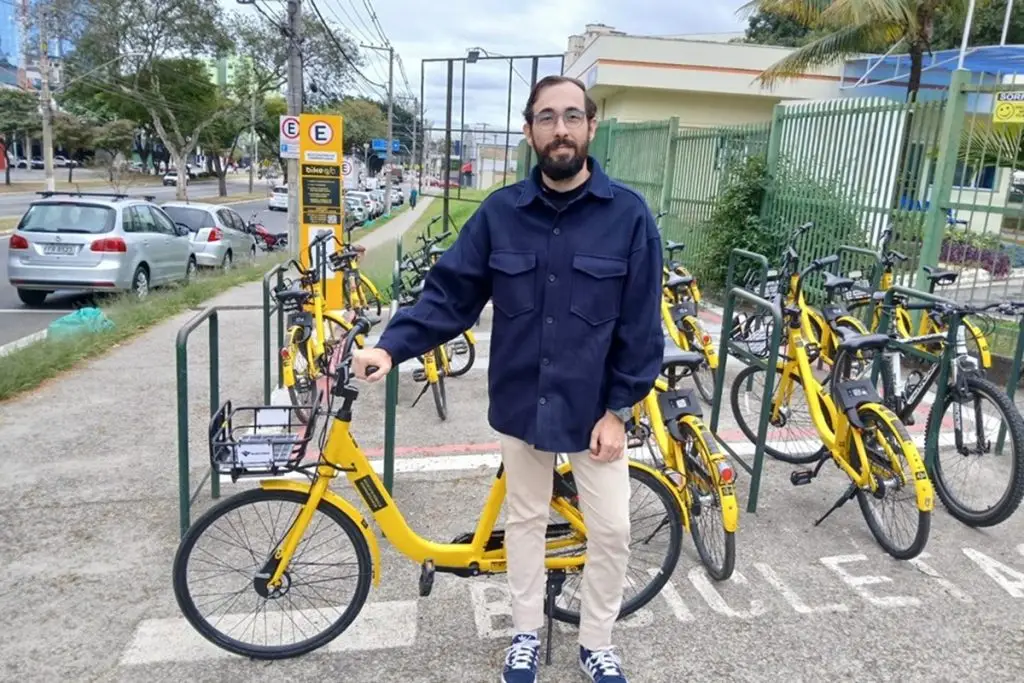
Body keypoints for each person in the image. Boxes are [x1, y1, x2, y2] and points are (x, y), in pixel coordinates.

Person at [352, 75, 664, 683]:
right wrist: (392, 348)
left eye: (572, 116)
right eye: (547, 118)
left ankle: (596, 641)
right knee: (521, 522)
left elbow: (640, 322)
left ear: (591, 127)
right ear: (529, 131)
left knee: (614, 530)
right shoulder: (500, 214)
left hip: (594, 409)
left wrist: (618, 410)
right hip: (522, 402)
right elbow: (450, 296)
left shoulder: (628, 216)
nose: (561, 130)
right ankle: (524, 633)